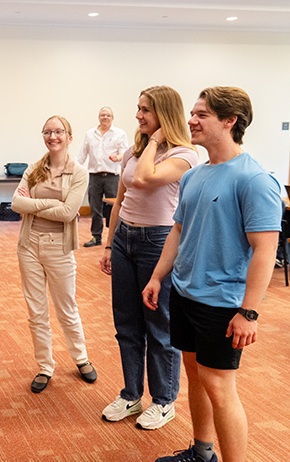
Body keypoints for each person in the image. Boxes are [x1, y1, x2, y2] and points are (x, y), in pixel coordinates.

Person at [144, 87, 281, 462]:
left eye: (201, 114)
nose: (191, 120)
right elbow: (178, 231)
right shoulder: (195, 175)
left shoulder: (254, 179)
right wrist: (158, 277)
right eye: (193, 113)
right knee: (196, 377)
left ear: (230, 120)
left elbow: (265, 251)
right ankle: (202, 454)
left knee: (220, 388)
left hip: (223, 304)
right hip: (187, 295)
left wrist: (249, 313)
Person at [98, 86, 199, 430]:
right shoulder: (133, 151)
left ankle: (164, 400)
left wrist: (155, 141)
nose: (138, 115)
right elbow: (122, 198)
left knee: (159, 325)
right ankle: (130, 395)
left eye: (146, 111)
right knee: (126, 323)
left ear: (164, 116)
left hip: (158, 241)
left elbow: (145, 178)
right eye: (138, 108)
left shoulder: (185, 154)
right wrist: (109, 243)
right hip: (126, 237)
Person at [12, 115, 96, 394]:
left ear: (69, 137)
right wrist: (50, 202)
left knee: (66, 308)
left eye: (59, 132)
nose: (53, 137)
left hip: (59, 247)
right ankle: (45, 366)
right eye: (47, 132)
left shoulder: (79, 172)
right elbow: (15, 203)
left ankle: (80, 358)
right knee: (36, 311)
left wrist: (32, 204)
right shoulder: (34, 169)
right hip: (29, 245)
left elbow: (68, 213)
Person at [76, 107, 129, 247]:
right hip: (94, 177)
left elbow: (125, 153)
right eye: (102, 115)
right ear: (98, 117)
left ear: (112, 117)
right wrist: (73, 169)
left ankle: (116, 239)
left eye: (108, 115)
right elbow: (82, 154)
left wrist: (117, 157)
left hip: (112, 176)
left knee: (114, 207)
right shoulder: (90, 134)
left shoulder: (120, 134)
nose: (105, 117)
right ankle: (96, 237)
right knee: (95, 208)